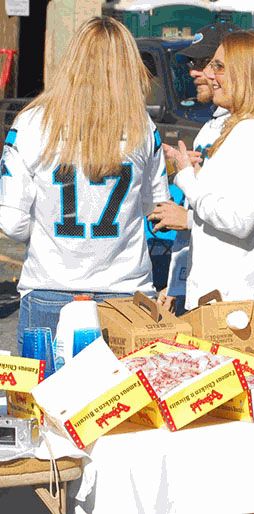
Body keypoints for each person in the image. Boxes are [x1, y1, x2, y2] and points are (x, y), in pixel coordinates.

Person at [0, 17, 170, 353]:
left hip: (50, 287)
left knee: (47, 388)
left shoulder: (31, 123)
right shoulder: (142, 126)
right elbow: (155, 207)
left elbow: (12, 222)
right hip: (124, 292)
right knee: (122, 389)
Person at [163, 30, 254, 310]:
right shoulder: (252, 130)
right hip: (236, 302)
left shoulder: (253, 133)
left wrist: (187, 178)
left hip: (235, 306)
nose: (209, 75)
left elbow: (239, 220)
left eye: (219, 67)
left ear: (246, 75)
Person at [149, 21, 237, 314]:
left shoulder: (246, 130)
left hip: (224, 295)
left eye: (205, 63)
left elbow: (241, 219)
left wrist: (186, 219)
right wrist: (176, 284)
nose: (195, 72)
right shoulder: (211, 125)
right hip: (197, 285)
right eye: (193, 64)